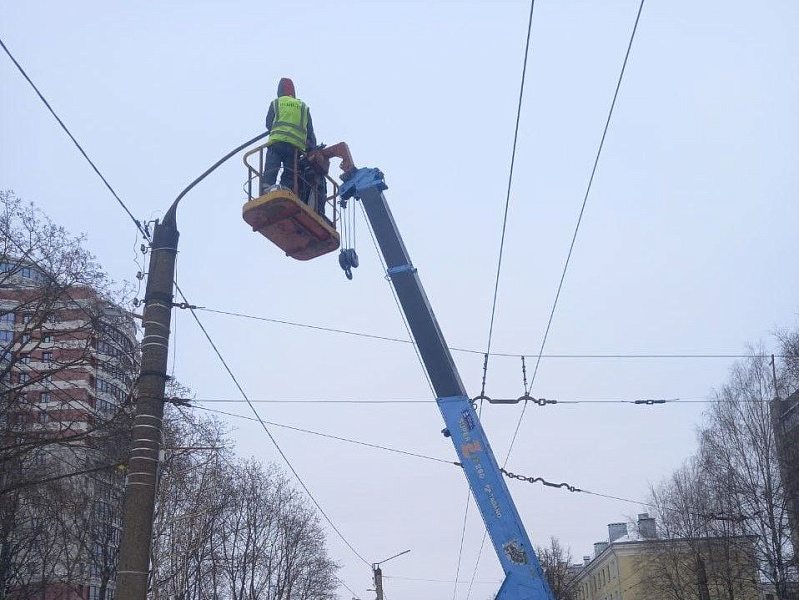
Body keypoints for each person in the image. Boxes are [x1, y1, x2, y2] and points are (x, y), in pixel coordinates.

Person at [261, 78, 317, 195]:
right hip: (294, 147)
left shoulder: (277, 102)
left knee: (272, 165)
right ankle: (286, 189)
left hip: (276, 143)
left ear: (280, 91)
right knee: (290, 171)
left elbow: (268, 123)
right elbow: (310, 133)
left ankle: (267, 187)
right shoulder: (303, 107)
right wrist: (312, 148)